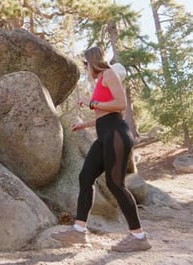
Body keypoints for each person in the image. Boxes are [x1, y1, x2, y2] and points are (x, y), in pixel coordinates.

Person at [51, 47, 151, 252]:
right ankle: (79, 232)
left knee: (116, 185)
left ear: (92, 61)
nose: (86, 68)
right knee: (85, 176)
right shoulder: (100, 82)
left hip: (116, 135)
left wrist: (91, 103)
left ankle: (139, 236)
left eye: (86, 64)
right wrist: (85, 125)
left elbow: (120, 104)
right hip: (105, 136)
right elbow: (103, 113)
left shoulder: (109, 73)